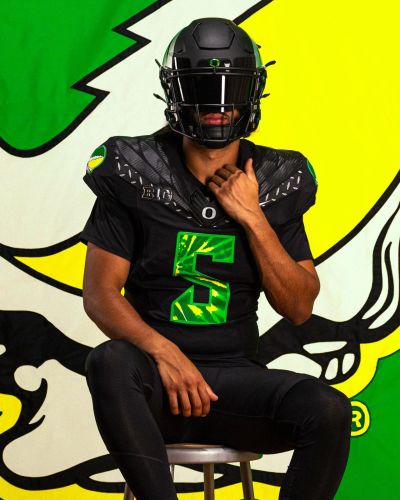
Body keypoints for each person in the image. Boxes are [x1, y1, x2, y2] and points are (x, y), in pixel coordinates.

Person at [81, 17, 352, 500]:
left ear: (252, 93)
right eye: (203, 89)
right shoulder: (134, 168)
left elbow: (298, 307)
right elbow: (100, 294)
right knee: (109, 361)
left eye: (231, 90)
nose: (218, 106)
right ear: (176, 92)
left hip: (235, 385)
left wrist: (253, 217)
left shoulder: (276, 178)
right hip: (154, 387)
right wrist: (165, 353)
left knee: (328, 409)